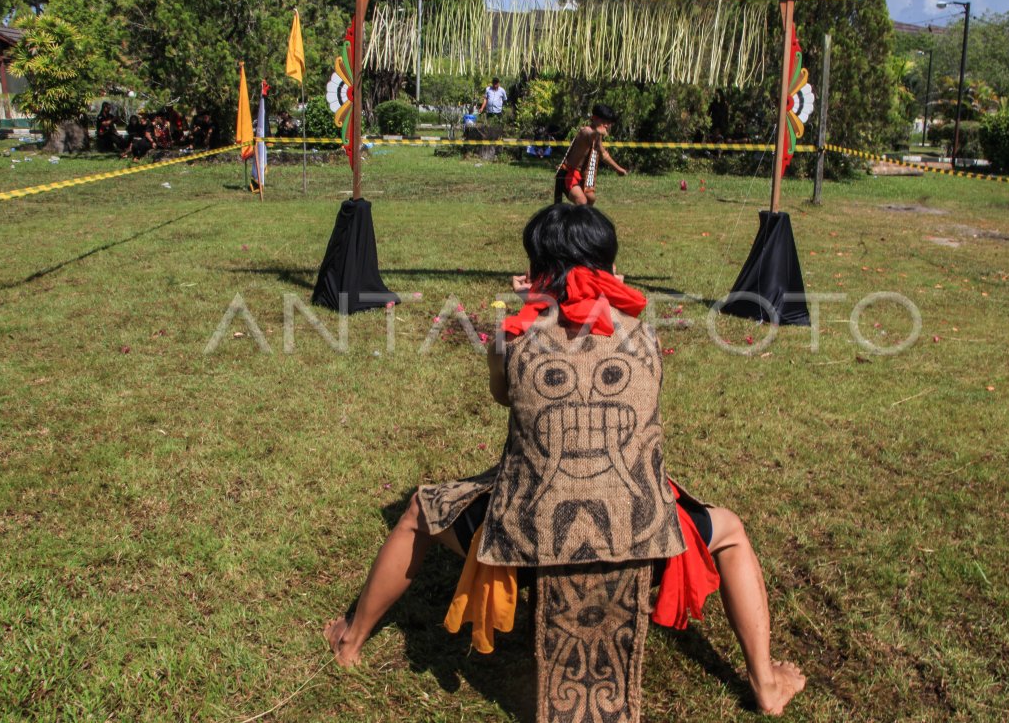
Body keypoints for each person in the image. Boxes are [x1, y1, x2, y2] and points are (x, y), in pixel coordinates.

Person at [322, 205, 806, 716]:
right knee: (729, 532)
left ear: (536, 271)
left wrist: (530, 312)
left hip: (525, 545)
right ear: (610, 267)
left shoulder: (511, 335)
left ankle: (350, 642)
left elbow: (503, 398)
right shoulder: (646, 335)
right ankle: (765, 683)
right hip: (646, 543)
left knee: (421, 512)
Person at [554, 103, 628, 206]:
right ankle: (575, 221)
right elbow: (590, 135)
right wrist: (597, 132)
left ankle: (584, 221)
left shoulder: (597, 136)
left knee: (591, 199)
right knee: (582, 202)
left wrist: (618, 169)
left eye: (608, 122)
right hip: (568, 174)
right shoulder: (585, 131)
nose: (606, 125)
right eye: (603, 121)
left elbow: (603, 154)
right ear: (594, 118)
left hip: (580, 175)